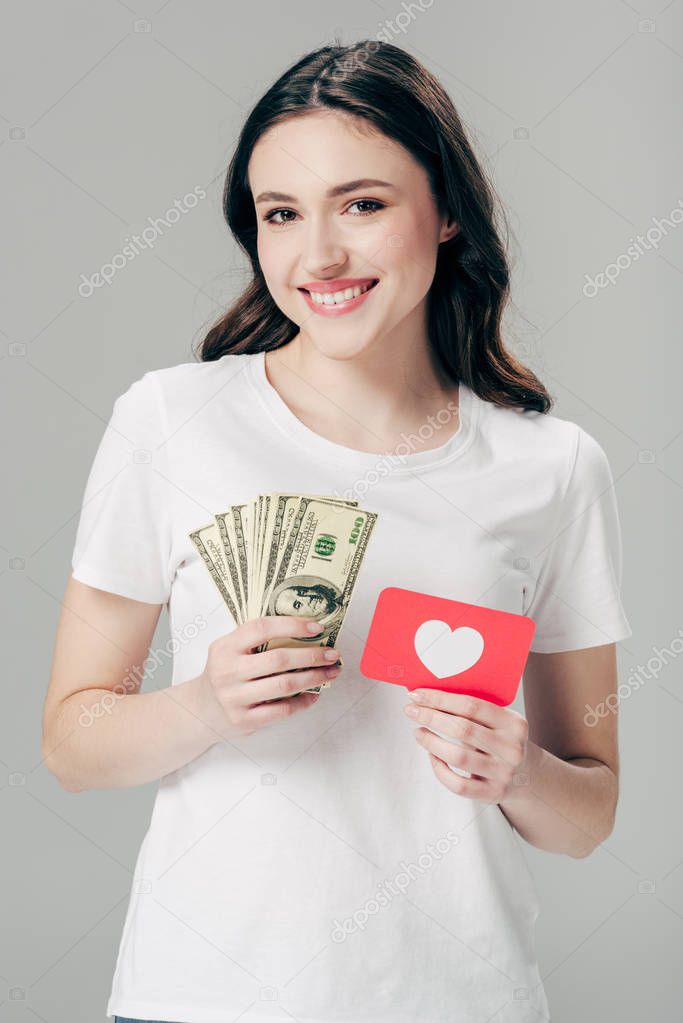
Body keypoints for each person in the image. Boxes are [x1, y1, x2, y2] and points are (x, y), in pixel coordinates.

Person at [42, 39, 633, 1023]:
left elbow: (588, 815)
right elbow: (71, 740)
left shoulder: (551, 469)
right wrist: (202, 707)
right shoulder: (167, 421)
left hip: (461, 1001)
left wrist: (517, 769)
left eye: (361, 204)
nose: (316, 256)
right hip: (200, 999)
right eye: (280, 214)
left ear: (444, 211)